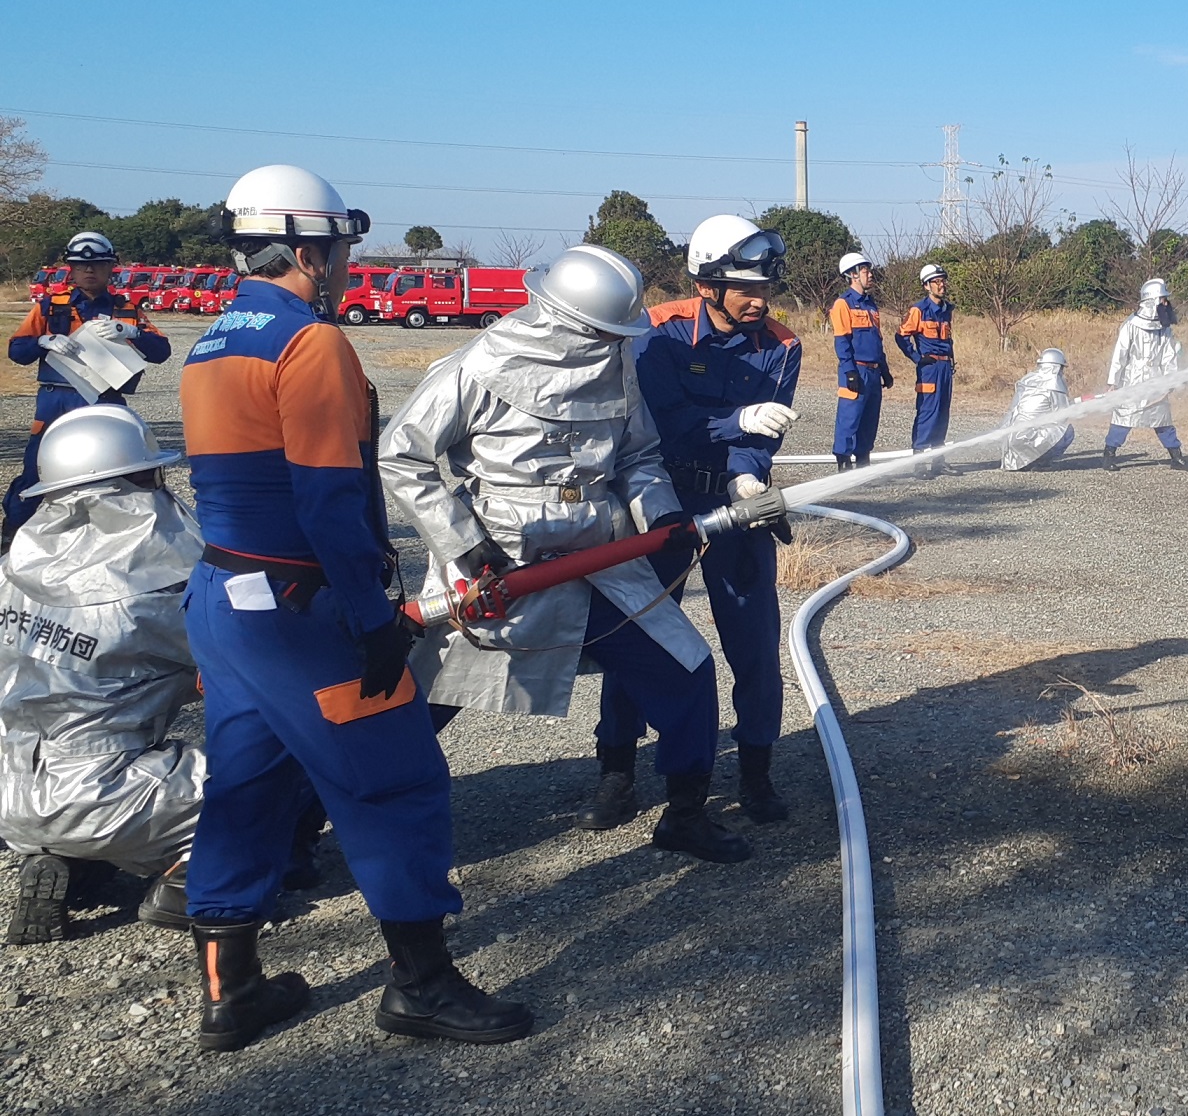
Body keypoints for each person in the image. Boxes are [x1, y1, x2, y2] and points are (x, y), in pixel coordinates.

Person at [181, 164, 526, 1051]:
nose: (340, 264)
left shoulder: (215, 337)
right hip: (299, 610)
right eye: (337, 247)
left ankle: (233, 991)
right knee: (393, 776)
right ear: (306, 247)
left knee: (247, 785)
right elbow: (329, 500)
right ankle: (420, 985)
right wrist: (374, 623)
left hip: (224, 601)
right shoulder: (311, 342)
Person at [379, 244, 771, 867]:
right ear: (559, 318)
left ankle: (686, 814)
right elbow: (402, 454)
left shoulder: (616, 363)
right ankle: (334, 815)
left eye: (616, 334)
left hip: (600, 550)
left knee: (685, 668)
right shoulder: (476, 367)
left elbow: (639, 456)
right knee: (429, 693)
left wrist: (662, 515)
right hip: (501, 563)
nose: (608, 344)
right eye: (599, 331)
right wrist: (465, 544)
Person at [609, 216, 801, 830]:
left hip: (736, 504)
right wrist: (738, 422)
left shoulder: (783, 345)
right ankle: (615, 770)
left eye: (765, 287)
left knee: (753, 639)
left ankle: (756, 772)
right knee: (640, 633)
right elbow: (663, 420)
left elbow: (762, 434)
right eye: (744, 287)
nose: (758, 299)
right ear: (707, 284)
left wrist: (749, 475)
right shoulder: (657, 332)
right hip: (659, 498)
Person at [0, 406, 201, 945]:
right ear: (131, 485)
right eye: (150, 475)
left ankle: (62, 856)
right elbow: (243, 666)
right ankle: (191, 880)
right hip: (107, 793)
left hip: (13, 786)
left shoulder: (13, 570)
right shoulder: (154, 592)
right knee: (275, 766)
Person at [4, 233, 171, 537]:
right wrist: (43, 341)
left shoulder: (127, 309)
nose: (89, 271)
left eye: (97, 265)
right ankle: (13, 537)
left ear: (111, 268)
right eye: (81, 266)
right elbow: (16, 351)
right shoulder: (50, 306)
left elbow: (162, 352)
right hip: (57, 399)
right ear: (71, 269)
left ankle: (119, 538)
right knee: (38, 469)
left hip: (106, 400)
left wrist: (131, 332)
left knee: (122, 469)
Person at [1102, 278, 1188, 471]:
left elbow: (1169, 354)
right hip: (1132, 380)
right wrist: (1113, 383)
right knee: (1124, 418)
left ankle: (1177, 458)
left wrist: (1171, 378)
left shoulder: (1164, 326)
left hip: (1156, 380)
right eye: (1162, 299)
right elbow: (1120, 355)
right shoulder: (1131, 325)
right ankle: (1109, 455)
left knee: (1162, 420)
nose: (1166, 304)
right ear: (1151, 301)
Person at [827, 252, 890, 470]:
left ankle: (863, 462)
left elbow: (876, 340)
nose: (870, 275)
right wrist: (849, 371)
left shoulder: (871, 306)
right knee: (849, 417)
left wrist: (884, 369)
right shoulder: (843, 304)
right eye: (865, 271)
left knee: (869, 419)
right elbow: (842, 340)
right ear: (853, 274)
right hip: (856, 369)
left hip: (873, 371)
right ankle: (843, 463)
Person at [896, 262, 955, 473]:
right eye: (936, 282)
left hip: (945, 368)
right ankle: (919, 462)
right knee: (927, 412)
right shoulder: (918, 310)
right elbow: (901, 336)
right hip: (929, 368)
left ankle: (938, 461)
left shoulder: (947, 310)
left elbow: (948, 340)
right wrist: (916, 358)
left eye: (943, 281)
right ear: (926, 286)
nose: (941, 285)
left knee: (942, 413)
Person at [1001, 348, 1075, 472]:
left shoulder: (1027, 380)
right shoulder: (1054, 384)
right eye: (1061, 367)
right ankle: (1040, 462)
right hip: (1028, 437)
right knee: (1067, 431)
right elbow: (1062, 416)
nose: (1062, 371)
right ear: (1055, 367)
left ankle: (1025, 461)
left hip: (1010, 439)